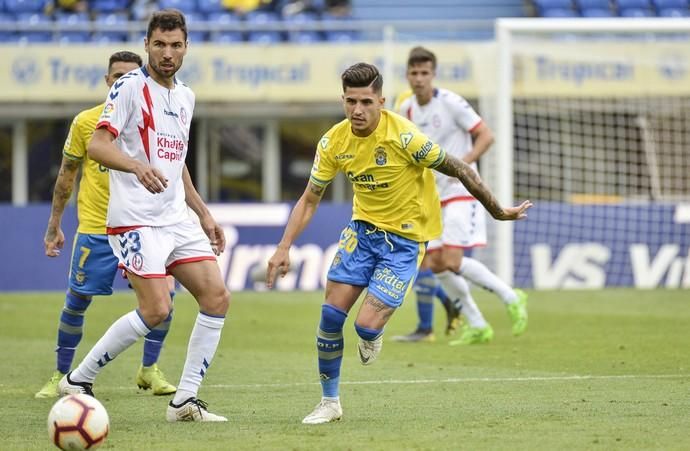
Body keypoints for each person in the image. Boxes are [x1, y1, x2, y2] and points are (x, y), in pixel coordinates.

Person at [266, 62, 532, 424]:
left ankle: (373, 332)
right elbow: (310, 199)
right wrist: (284, 246)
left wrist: (498, 210)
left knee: (365, 327)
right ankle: (330, 403)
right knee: (329, 316)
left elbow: (462, 169)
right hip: (361, 233)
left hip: (404, 241)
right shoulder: (333, 141)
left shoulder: (405, 137)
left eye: (365, 102)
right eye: (350, 102)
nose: (357, 110)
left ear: (381, 101)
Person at [57, 9, 230, 423]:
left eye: (175, 45)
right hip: (135, 219)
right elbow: (98, 146)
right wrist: (136, 166)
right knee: (156, 310)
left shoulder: (186, 95)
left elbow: (177, 163)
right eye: (159, 45)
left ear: (186, 47)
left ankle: (184, 402)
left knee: (217, 298)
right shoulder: (130, 88)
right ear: (147, 45)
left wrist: (203, 213)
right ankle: (78, 380)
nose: (167, 53)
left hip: (175, 219)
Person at [35, 51, 177, 399]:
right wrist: (54, 224)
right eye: (117, 77)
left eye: (131, 76)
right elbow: (67, 175)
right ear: (107, 81)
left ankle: (149, 370)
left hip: (142, 226)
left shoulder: (155, 119)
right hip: (97, 229)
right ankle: (61, 374)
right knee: (77, 301)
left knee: (166, 299)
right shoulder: (86, 123)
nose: (123, 83)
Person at [394, 47, 528, 346]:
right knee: (434, 263)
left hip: (460, 191)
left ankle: (510, 295)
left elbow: (486, 135)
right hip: (432, 195)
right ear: (408, 76)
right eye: (414, 73)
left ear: (433, 74)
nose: (419, 79)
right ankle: (478, 324)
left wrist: (463, 165)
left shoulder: (452, 103)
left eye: (424, 73)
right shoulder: (407, 111)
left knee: (452, 260)